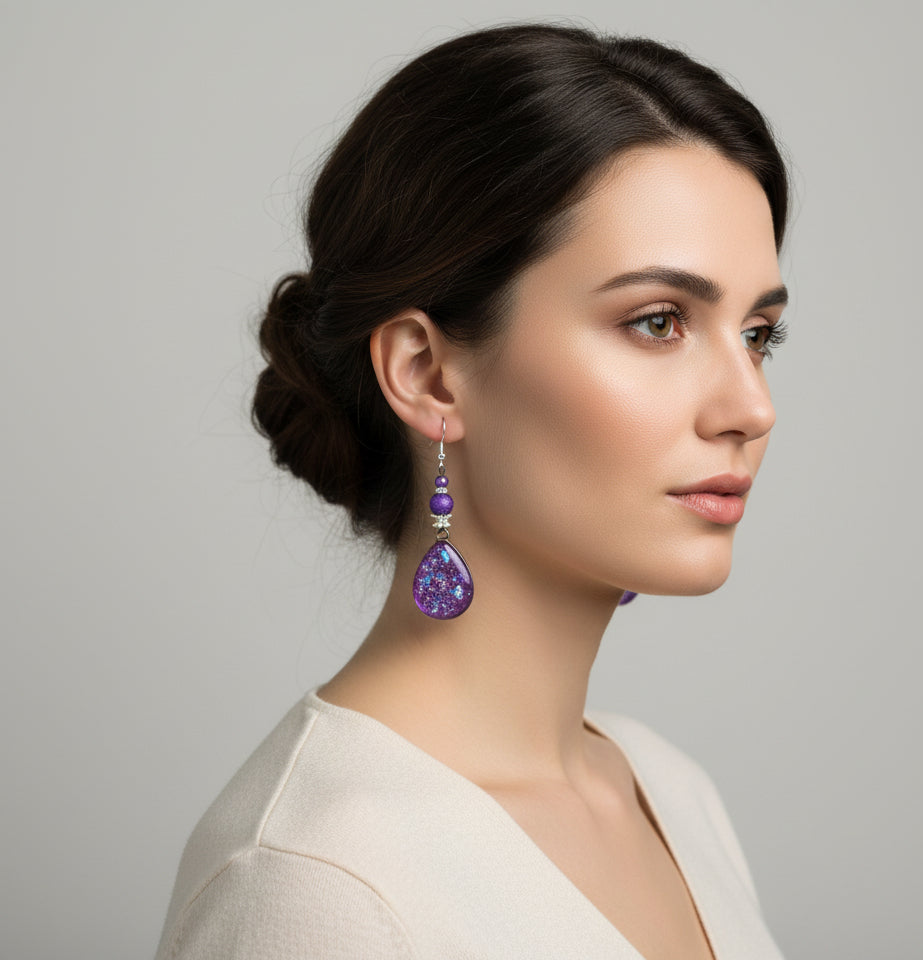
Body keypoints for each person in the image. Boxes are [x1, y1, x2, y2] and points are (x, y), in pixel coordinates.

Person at [155, 22, 791, 960]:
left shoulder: (670, 791)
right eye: (659, 322)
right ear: (427, 374)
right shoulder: (314, 881)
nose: (751, 407)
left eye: (759, 334)